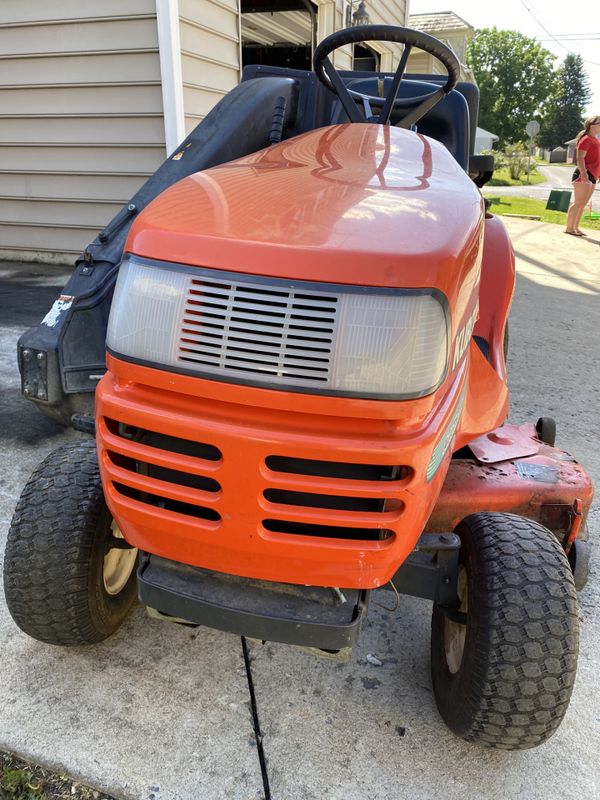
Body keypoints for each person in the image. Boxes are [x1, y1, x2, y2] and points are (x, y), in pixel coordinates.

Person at [565, 114, 600, 236]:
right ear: (592, 125)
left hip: (593, 175)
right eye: (599, 123)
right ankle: (569, 228)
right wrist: (584, 173)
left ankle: (576, 228)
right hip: (583, 174)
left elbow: (595, 159)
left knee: (583, 204)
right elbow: (580, 158)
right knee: (578, 203)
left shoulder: (595, 140)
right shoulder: (586, 139)